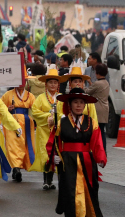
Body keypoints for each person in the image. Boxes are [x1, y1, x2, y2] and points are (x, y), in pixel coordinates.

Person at [52, 88, 107, 217]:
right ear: (70, 104)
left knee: (90, 189)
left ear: (85, 105)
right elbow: (55, 142)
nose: (78, 105)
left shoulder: (91, 122)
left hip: (87, 160)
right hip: (68, 161)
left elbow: (97, 142)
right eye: (75, 102)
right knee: (70, 191)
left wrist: (101, 158)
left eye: (81, 102)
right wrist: (55, 156)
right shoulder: (62, 122)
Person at [30, 65, 68, 190]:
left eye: (55, 82)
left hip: (57, 131)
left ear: (58, 84)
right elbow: (35, 111)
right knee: (46, 154)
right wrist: (48, 117)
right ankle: (46, 180)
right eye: (50, 82)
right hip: (44, 130)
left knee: (57, 154)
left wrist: (56, 117)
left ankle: (54, 181)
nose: (53, 85)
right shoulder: (40, 98)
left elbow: (66, 112)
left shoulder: (62, 98)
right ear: (46, 84)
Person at [1, 81, 36, 182]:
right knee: (13, 145)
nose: (20, 84)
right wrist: (8, 109)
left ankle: (19, 166)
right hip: (12, 122)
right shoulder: (8, 94)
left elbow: (36, 109)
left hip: (26, 123)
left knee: (23, 145)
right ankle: (16, 168)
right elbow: (1, 108)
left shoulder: (30, 95)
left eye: (23, 82)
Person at [85, 63, 110, 155]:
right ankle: (103, 150)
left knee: (96, 130)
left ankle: (98, 150)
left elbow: (88, 92)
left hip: (97, 109)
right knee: (102, 131)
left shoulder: (97, 83)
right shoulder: (106, 83)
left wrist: (84, 84)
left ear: (97, 73)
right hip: (104, 109)